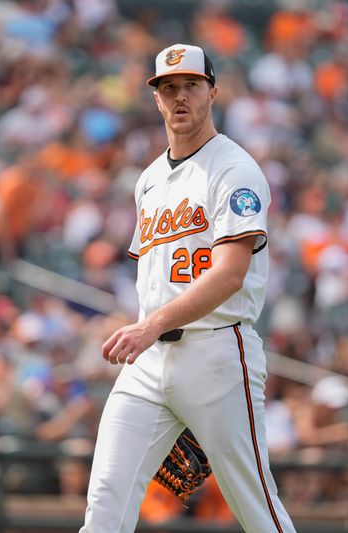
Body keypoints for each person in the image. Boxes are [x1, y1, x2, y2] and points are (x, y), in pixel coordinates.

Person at [80, 44, 296, 532]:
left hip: (218, 353)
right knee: (105, 504)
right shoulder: (150, 179)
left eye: (191, 86)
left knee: (257, 509)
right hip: (151, 360)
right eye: (168, 87)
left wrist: (151, 325)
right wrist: (151, 331)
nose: (180, 97)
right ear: (156, 98)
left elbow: (230, 273)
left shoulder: (235, 169)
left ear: (213, 92)